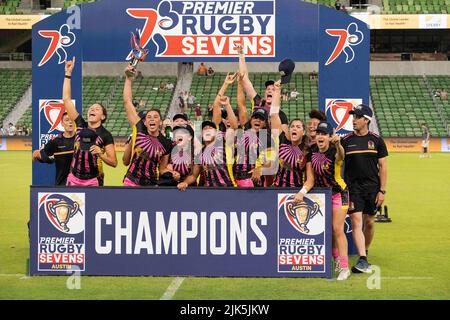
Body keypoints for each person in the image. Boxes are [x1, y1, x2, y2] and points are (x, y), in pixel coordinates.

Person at [341, 104, 388, 274]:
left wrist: (382, 191)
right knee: (356, 221)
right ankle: (362, 258)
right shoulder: (345, 141)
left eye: (357, 117)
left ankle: (364, 252)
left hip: (373, 189)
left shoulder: (376, 140)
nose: (353, 120)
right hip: (353, 189)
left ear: (366, 120)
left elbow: (383, 167)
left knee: (369, 222)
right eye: (353, 117)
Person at [63, 57, 117, 186]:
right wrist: (68, 74)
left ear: (103, 117)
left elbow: (114, 162)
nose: (92, 109)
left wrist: (101, 154)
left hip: (94, 180)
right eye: (91, 108)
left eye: (97, 109)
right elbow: (66, 99)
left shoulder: (105, 135)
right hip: (73, 178)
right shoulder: (80, 124)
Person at [306, 121, 350, 280]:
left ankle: (344, 268)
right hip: (323, 195)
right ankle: (336, 260)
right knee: (330, 230)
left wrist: (338, 145)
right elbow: (310, 178)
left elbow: (341, 155)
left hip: (339, 193)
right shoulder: (311, 151)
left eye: (324, 134)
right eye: (318, 133)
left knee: (337, 229)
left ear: (330, 137)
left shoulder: (334, 150)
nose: (320, 136)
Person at [122, 65, 173, 186]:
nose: (152, 119)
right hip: (131, 181)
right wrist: (128, 79)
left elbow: (162, 169)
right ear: (145, 122)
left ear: (160, 122)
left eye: (155, 117)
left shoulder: (166, 143)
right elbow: (127, 101)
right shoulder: (140, 129)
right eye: (149, 117)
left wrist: (173, 173)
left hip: (150, 185)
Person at [270, 80, 314, 189]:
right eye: (292, 126)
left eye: (298, 127)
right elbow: (274, 114)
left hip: (296, 192)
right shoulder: (283, 141)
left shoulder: (308, 150)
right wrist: (277, 90)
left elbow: (310, 178)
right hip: (277, 190)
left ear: (303, 132)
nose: (294, 128)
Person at [237, 45, 289, 133]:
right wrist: (241, 54)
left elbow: (283, 138)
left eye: (273, 90)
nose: (269, 90)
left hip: (267, 144)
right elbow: (244, 78)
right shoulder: (258, 102)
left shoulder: (281, 115)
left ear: (278, 96)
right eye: (268, 89)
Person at [32, 112, 75, 185]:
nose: (70, 122)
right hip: (62, 183)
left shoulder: (81, 138)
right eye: (67, 120)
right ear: (62, 123)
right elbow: (41, 156)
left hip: (80, 184)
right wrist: (36, 155)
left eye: (72, 120)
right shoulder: (55, 141)